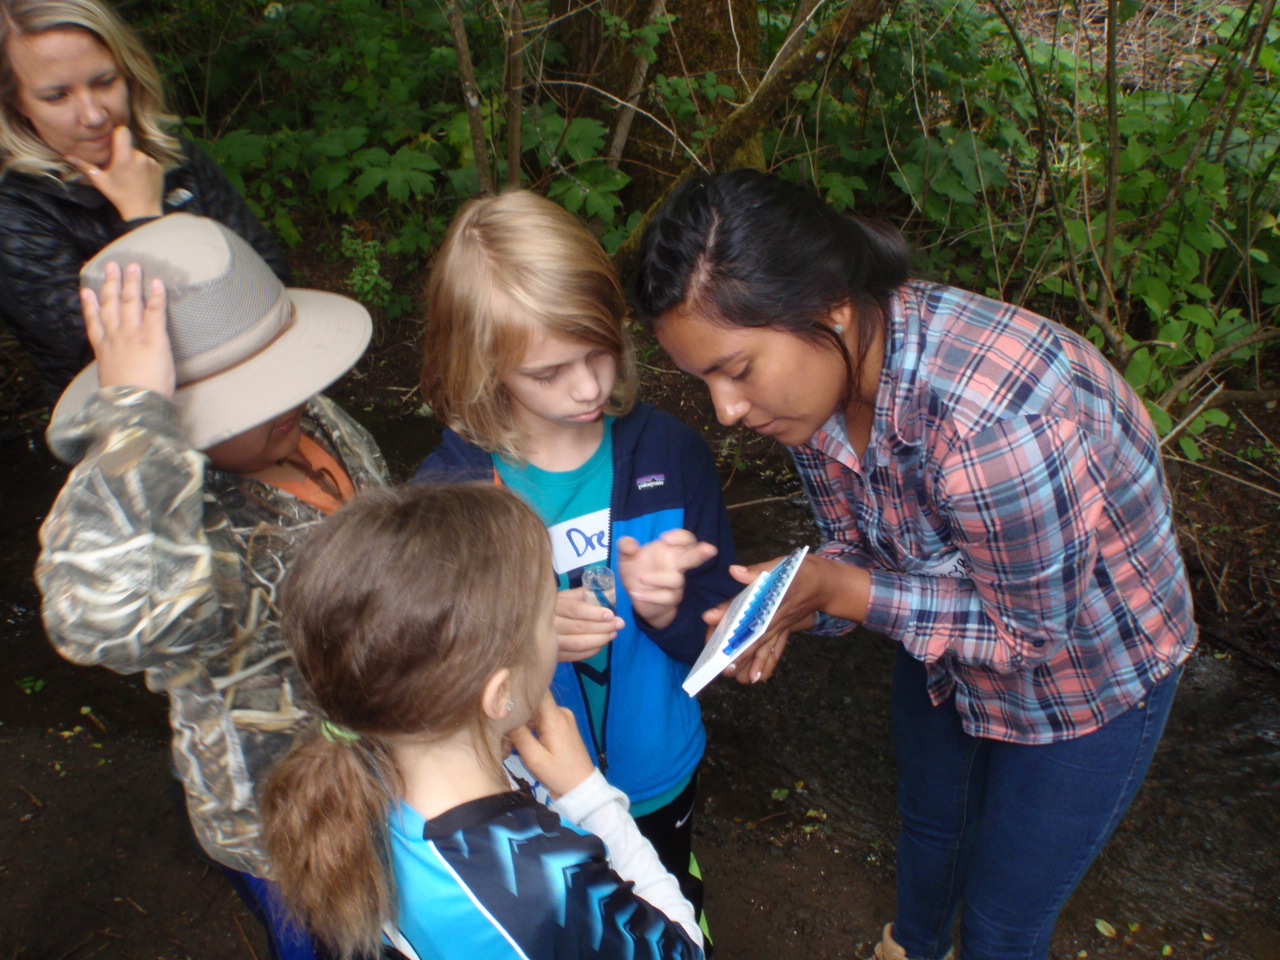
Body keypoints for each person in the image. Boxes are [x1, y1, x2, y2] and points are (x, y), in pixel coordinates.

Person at [633, 168, 1198, 960]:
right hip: (945, 643)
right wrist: (794, 597)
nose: (726, 412)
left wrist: (839, 588)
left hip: (1090, 673)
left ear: (829, 310)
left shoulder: (995, 427)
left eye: (737, 369)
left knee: (1004, 924)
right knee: (932, 825)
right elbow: (853, 551)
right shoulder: (819, 387)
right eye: (704, 381)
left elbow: (1029, 637)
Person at [36, 213, 385, 960]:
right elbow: (102, 615)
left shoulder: (303, 415)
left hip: (391, 771)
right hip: (294, 821)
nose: (286, 396)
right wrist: (135, 421)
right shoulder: (181, 518)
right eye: (247, 394)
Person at [414, 189, 738, 936]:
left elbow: (723, 639)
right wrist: (519, 635)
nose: (590, 386)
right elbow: (430, 688)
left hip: (658, 777)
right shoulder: (452, 495)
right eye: (550, 371)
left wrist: (672, 610)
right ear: (482, 365)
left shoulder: (671, 453)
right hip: (524, 795)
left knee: (662, 906)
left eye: (601, 350)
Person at [260, 483, 707, 960]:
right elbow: (684, 951)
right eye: (545, 612)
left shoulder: (351, 779)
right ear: (500, 694)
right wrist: (590, 795)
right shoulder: (541, 886)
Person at [0, 0, 292, 402]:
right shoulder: (16, 214)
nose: (94, 115)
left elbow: (272, 281)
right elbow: (116, 355)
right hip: (140, 429)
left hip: (261, 393)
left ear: (130, 74)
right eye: (58, 96)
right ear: (17, 102)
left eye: (104, 82)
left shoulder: (177, 160)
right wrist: (143, 219)